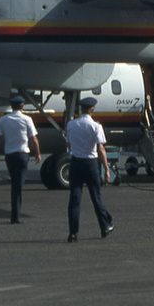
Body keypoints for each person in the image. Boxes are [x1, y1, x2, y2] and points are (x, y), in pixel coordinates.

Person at [65, 97, 114, 242]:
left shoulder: (71, 124)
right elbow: (100, 149)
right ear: (92, 109)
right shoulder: (96, 126)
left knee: (74, 199)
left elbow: (68, 144)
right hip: (90, 163)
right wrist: (106, 168)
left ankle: (73, 233)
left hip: (75, 162)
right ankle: (104, 226)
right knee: (96, 198)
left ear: (81, 109)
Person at [0, 95, 41, 224]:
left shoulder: (3, 119)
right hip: (23, 155)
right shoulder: (27, 119)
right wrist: (38, 153)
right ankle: (16, 216)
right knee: (18, 185)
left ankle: (15, 214)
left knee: (15, 183)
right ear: (22, 106)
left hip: (9, 155)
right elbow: (34, 139)